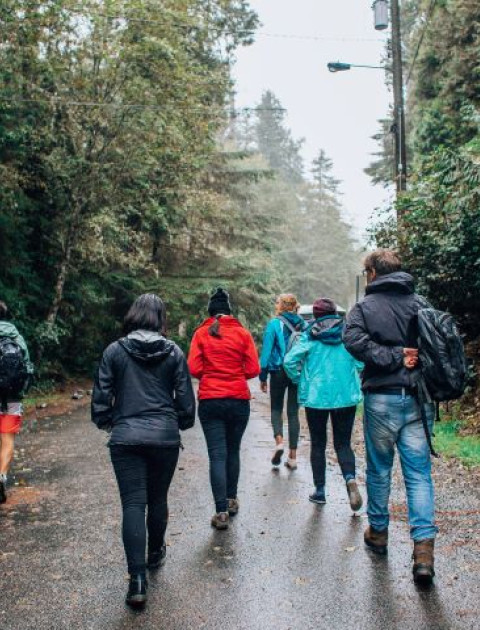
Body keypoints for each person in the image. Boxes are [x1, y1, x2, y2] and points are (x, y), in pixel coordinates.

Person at [91, 294, 195, 608]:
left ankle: (137, 581)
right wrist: (176, 422)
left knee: (133, 505)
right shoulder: (174, 351)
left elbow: (101, 397)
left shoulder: (114, 350)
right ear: (160, 318)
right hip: (164, 438)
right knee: (158, 498)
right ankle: (155, 553)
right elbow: (186, 402)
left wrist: (112, 422)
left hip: (126, 438)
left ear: (133, 316)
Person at [343, 249, 437, 586]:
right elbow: (437, 345)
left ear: (372, 273)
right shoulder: (422, 304)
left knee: (380, 469)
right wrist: (404, 355)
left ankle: (379, 533)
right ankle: (423, 551)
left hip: (380, 398)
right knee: (419, 474)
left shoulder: (364, 309)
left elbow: (351, 340)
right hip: (417, 399)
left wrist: (388, 356)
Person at [188, 288, 260, 530]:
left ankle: (220, 513)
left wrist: (212, 372)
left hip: (211, 400)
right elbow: (252, 370)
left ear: (210, 312)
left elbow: (194, 368)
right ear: (230, 311)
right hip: (238, 400)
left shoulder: (200, 334)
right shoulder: (242, 334)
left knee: (217, 455)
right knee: (233, 451)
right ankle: (231, 500)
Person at [283, 297, 363, 510]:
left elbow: (289, 361)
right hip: (345, 396)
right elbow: (361, 362)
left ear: (316, 315)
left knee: (318, 443)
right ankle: (350, 479)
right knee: (343, 443)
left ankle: (320, 491)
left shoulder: (309, 335)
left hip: (316, 397)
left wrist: (299, 379)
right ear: (336, 313)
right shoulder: (347, 335)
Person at [259, 294, 307, 470]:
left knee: (276, 408)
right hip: (296, 371)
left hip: (278, 371)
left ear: (280, 306)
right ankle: (293, 457)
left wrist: (263, 376)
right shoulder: (304, 324)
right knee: (293, 413)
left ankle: (279, 442)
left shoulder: (274, 324)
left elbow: (266, 352)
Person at [0, 301, 34, 504]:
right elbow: (27, 368)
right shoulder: (16, 337)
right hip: (13, 398)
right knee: (7, 440)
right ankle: (1, 477)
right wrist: (21, 392)